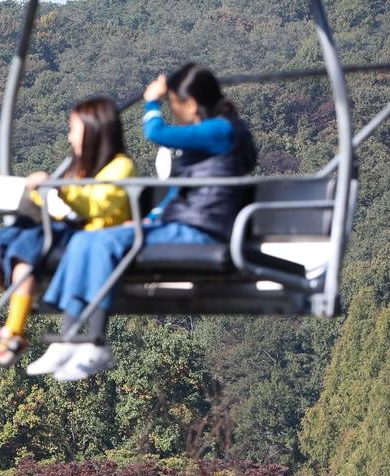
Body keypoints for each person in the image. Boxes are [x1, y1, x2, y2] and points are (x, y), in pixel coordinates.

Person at [29, 63, 258, 381]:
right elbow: (179, 193)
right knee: (86, 239)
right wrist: (146, 221)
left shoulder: (222, 130)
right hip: (181, 224)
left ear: (190, 104)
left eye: (173, 106)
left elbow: (155, 132)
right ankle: (68, 337)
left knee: (102, 242)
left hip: (203, 230)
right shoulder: (206, 146)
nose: (173, 113)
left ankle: (96, 341)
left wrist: (152, 101)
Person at [0, 95, 134, 378]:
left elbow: (98, 204)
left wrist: (57, 190)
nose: (70, 137)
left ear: (93, 130)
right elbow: (58, 203)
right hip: (53, 227)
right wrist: (33, 194)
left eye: (74, 129)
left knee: (26, 253)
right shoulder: (76, 167)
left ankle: (15, 333)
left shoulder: (120, 166)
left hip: (85, 235)